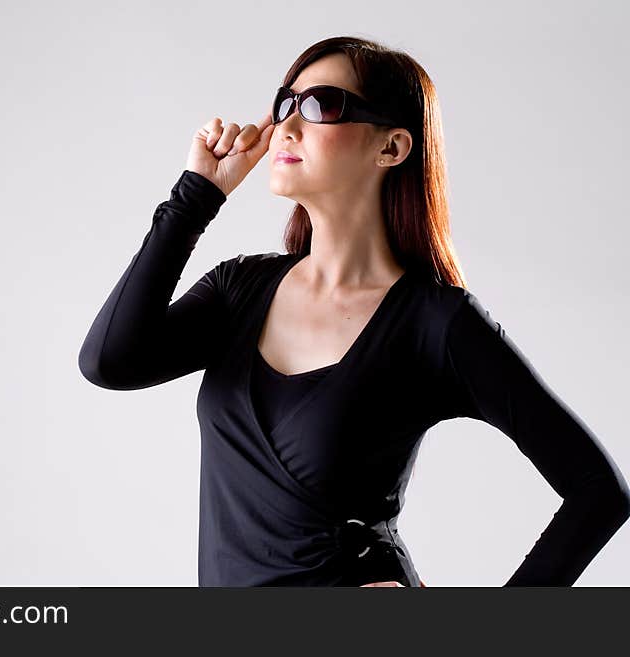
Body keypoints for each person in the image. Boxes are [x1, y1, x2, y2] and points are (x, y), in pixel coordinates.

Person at [78, 36, 630, 586]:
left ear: (391, 148)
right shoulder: (238, 288)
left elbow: (597, 491)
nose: (288, 126)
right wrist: (197, 196)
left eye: (322, 105)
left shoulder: (436, 322)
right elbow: (109, 362)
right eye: (285, 103)